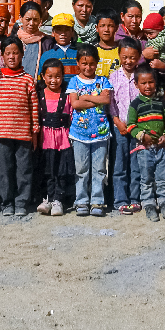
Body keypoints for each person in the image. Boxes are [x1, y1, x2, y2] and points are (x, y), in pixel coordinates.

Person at [0, 37, 39, 216]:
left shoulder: (27, 80)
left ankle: (21, 202)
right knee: (5, 169)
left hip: (23, 133)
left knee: (24, 169)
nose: (12, 57)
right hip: (3, 132)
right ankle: (7, 202)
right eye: (8, 53)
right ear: (2, 55)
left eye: (15, 53)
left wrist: (34, 131)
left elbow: (34, 107)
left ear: (22, 54)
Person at [67, 44, 114, 217]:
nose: (88, 67)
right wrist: (96, 99)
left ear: (97, 63)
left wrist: (85, 96)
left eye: (92, 64)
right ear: (78, 63)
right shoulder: (73, 81)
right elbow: (75, 103)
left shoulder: (103, 80)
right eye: (84, 64)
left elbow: (106, 99)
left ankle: (97, 201)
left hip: (100, 133)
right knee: (81, 170)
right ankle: (81, 201)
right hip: (79, 133)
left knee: (100, 169)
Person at [126, 66, 165, 222]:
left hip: (162, 148)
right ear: (136, 84)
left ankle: (164, 203)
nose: (148, 86)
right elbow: (131, 125)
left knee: (163, 177)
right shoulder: (135, 105)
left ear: (156, 83)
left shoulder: (162, 103)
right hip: (144, 149)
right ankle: (148, 204)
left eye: (151, 82)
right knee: (146, 178)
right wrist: (142, 136)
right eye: (143, 83)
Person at [108, 38, 143, 215]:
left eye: (132, 57)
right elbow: (111, 104)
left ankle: (135, 198)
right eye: (125, 57)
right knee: (119, 165)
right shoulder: (113, 77)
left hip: (138, 129)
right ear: (119, 55)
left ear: (139, 57)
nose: (128, 61)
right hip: (119, 127)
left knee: (136, 165)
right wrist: (117, 122)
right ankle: (120, 200)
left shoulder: (142, 77)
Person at [35, 59, 74, 217]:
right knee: (47, 169)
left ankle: (59, 199)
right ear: (43, 76)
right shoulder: (39, 95)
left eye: (57, 76)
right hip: (45, 138)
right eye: (50, 76)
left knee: (61, 169)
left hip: (62, 137)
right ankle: (48, 199)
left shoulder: (67, 95)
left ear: (63, 77)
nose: (53, 80)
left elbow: (71, 115)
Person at [14, 1, 54, 79]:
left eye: (35, 20)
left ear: (40, 20)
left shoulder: (47, 42)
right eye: (28, 19)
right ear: (20, 18)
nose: (31, 23)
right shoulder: (14, 40)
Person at [39, 13, 79, 88]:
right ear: (53, 32)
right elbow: (41, 81)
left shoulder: (80, 53)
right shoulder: (47, 55)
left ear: (72, 32)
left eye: (67, 29)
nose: (63, 34)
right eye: (59, 30)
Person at [94, 8, 121, 78]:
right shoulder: (92, 51)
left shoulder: (121, 51)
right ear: (96, 28)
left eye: (110, 26)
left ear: (116, 28)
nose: (106, 30)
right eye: (102, 26)